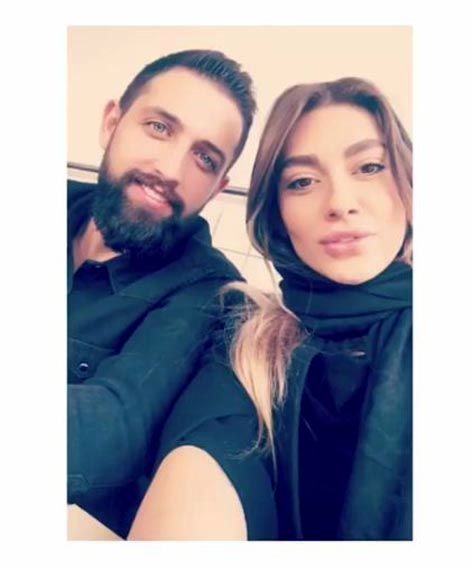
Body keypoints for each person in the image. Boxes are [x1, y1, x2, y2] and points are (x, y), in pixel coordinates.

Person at [128, 77, 413, 540]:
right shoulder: (252, 348)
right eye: (302, 182)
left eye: (369, 167)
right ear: (277, 214)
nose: (340, 204)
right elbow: (206, 457)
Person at [67, 49, 256, 538]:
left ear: (217, 187)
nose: (171, 169)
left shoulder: (212, 293)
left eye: (204, 158)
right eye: (159, 127)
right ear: (112, 123)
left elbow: (116, 424)